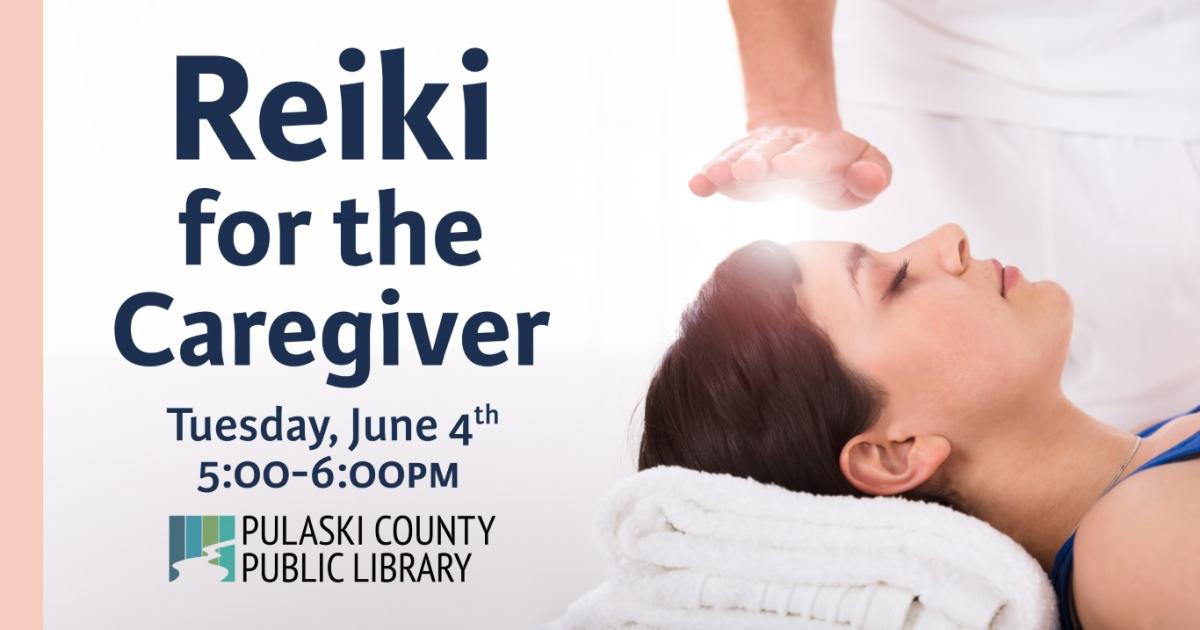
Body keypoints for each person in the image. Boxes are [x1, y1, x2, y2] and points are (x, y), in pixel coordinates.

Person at [639, 224, 1199, 629]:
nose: (949, 239)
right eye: (897, 281)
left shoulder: (1155, 444)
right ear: (893, 454)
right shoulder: (1131, 553)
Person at [687, 0, 1200, 430]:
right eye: (897, 277)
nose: (954, 240)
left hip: (1166, 90)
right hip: (903, 115)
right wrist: (792, 115)